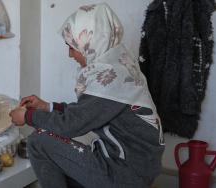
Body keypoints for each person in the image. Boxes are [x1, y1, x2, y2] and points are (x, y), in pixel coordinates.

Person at [9, 3, 165, 188]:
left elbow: (70, 125)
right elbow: (86, 111)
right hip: (135, 168)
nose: (70, 54)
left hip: (125, 174)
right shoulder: (119, 66)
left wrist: (27, 116)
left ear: (89, 44)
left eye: (72, 47)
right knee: (63, 167)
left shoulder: (110, 80)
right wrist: (47, 106)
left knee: (37, 141)